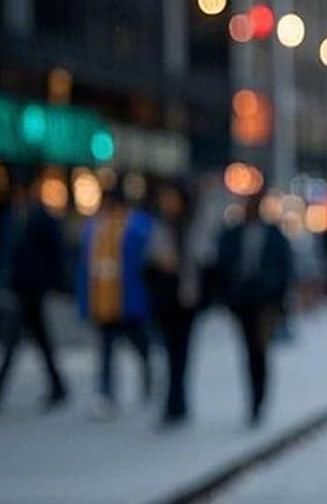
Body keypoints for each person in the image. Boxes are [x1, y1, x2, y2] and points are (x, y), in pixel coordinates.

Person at [78, 184, 155, 418]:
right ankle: (106, 393)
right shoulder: (95, 227)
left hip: (127, 299)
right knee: (106, 349)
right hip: (103, 299)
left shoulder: (135, 225)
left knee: (139, 344)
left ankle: (148, 376)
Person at [216, 190, 293, 425]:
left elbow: (285, 267)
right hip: (242, 301)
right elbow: (223, 264)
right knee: (249, 350)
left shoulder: (273, 235)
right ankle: (253, 398)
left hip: (265, 302)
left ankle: (258, 400)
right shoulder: (233, 234)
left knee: (259, 351)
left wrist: (277, 296)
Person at [144, 178, 210, 426]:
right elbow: (148, 265)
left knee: (182, 352)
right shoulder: (160, 228)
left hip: (187, 299)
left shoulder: (194, 228)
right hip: (165, 299)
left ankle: (178, 400)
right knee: (168, 351)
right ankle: (172, 401)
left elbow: (205, 263)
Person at [0, 176, 69, 410]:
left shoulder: (40, 218)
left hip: (33, 288)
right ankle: (58, 386)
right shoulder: (12, 217)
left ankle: (57, 386)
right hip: (20, 286)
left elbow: (55, 252)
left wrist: (54, 283)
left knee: (17, 339)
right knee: (38, 339)